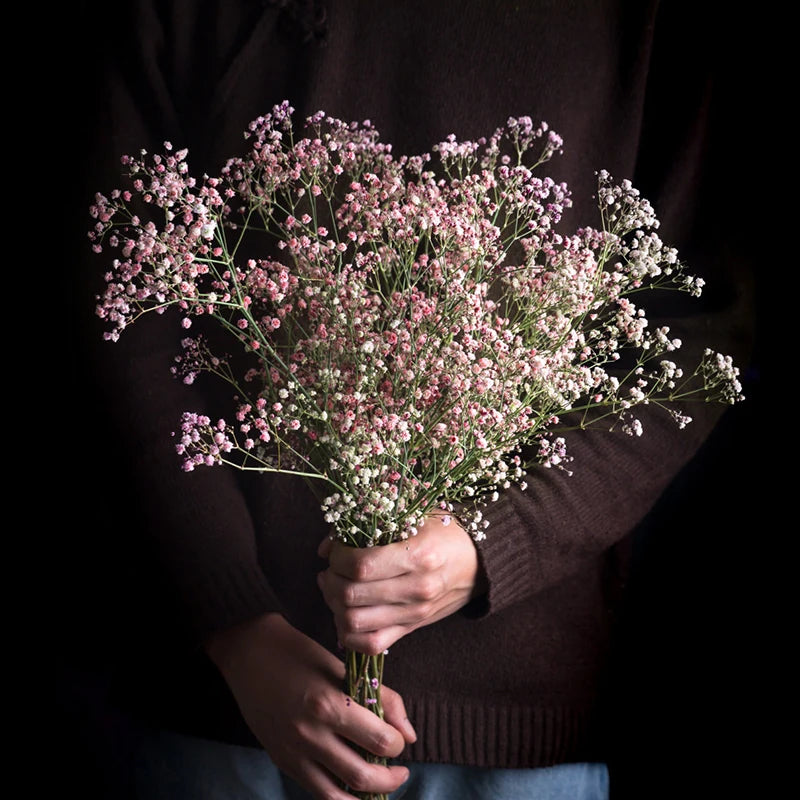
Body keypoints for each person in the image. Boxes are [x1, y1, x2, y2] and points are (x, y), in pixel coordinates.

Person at [64, 2, 757, 798]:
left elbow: (705, 332)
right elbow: (119, 297)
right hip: (224, 710)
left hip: (520, 724)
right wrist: (234, 623)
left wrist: (495, 540)